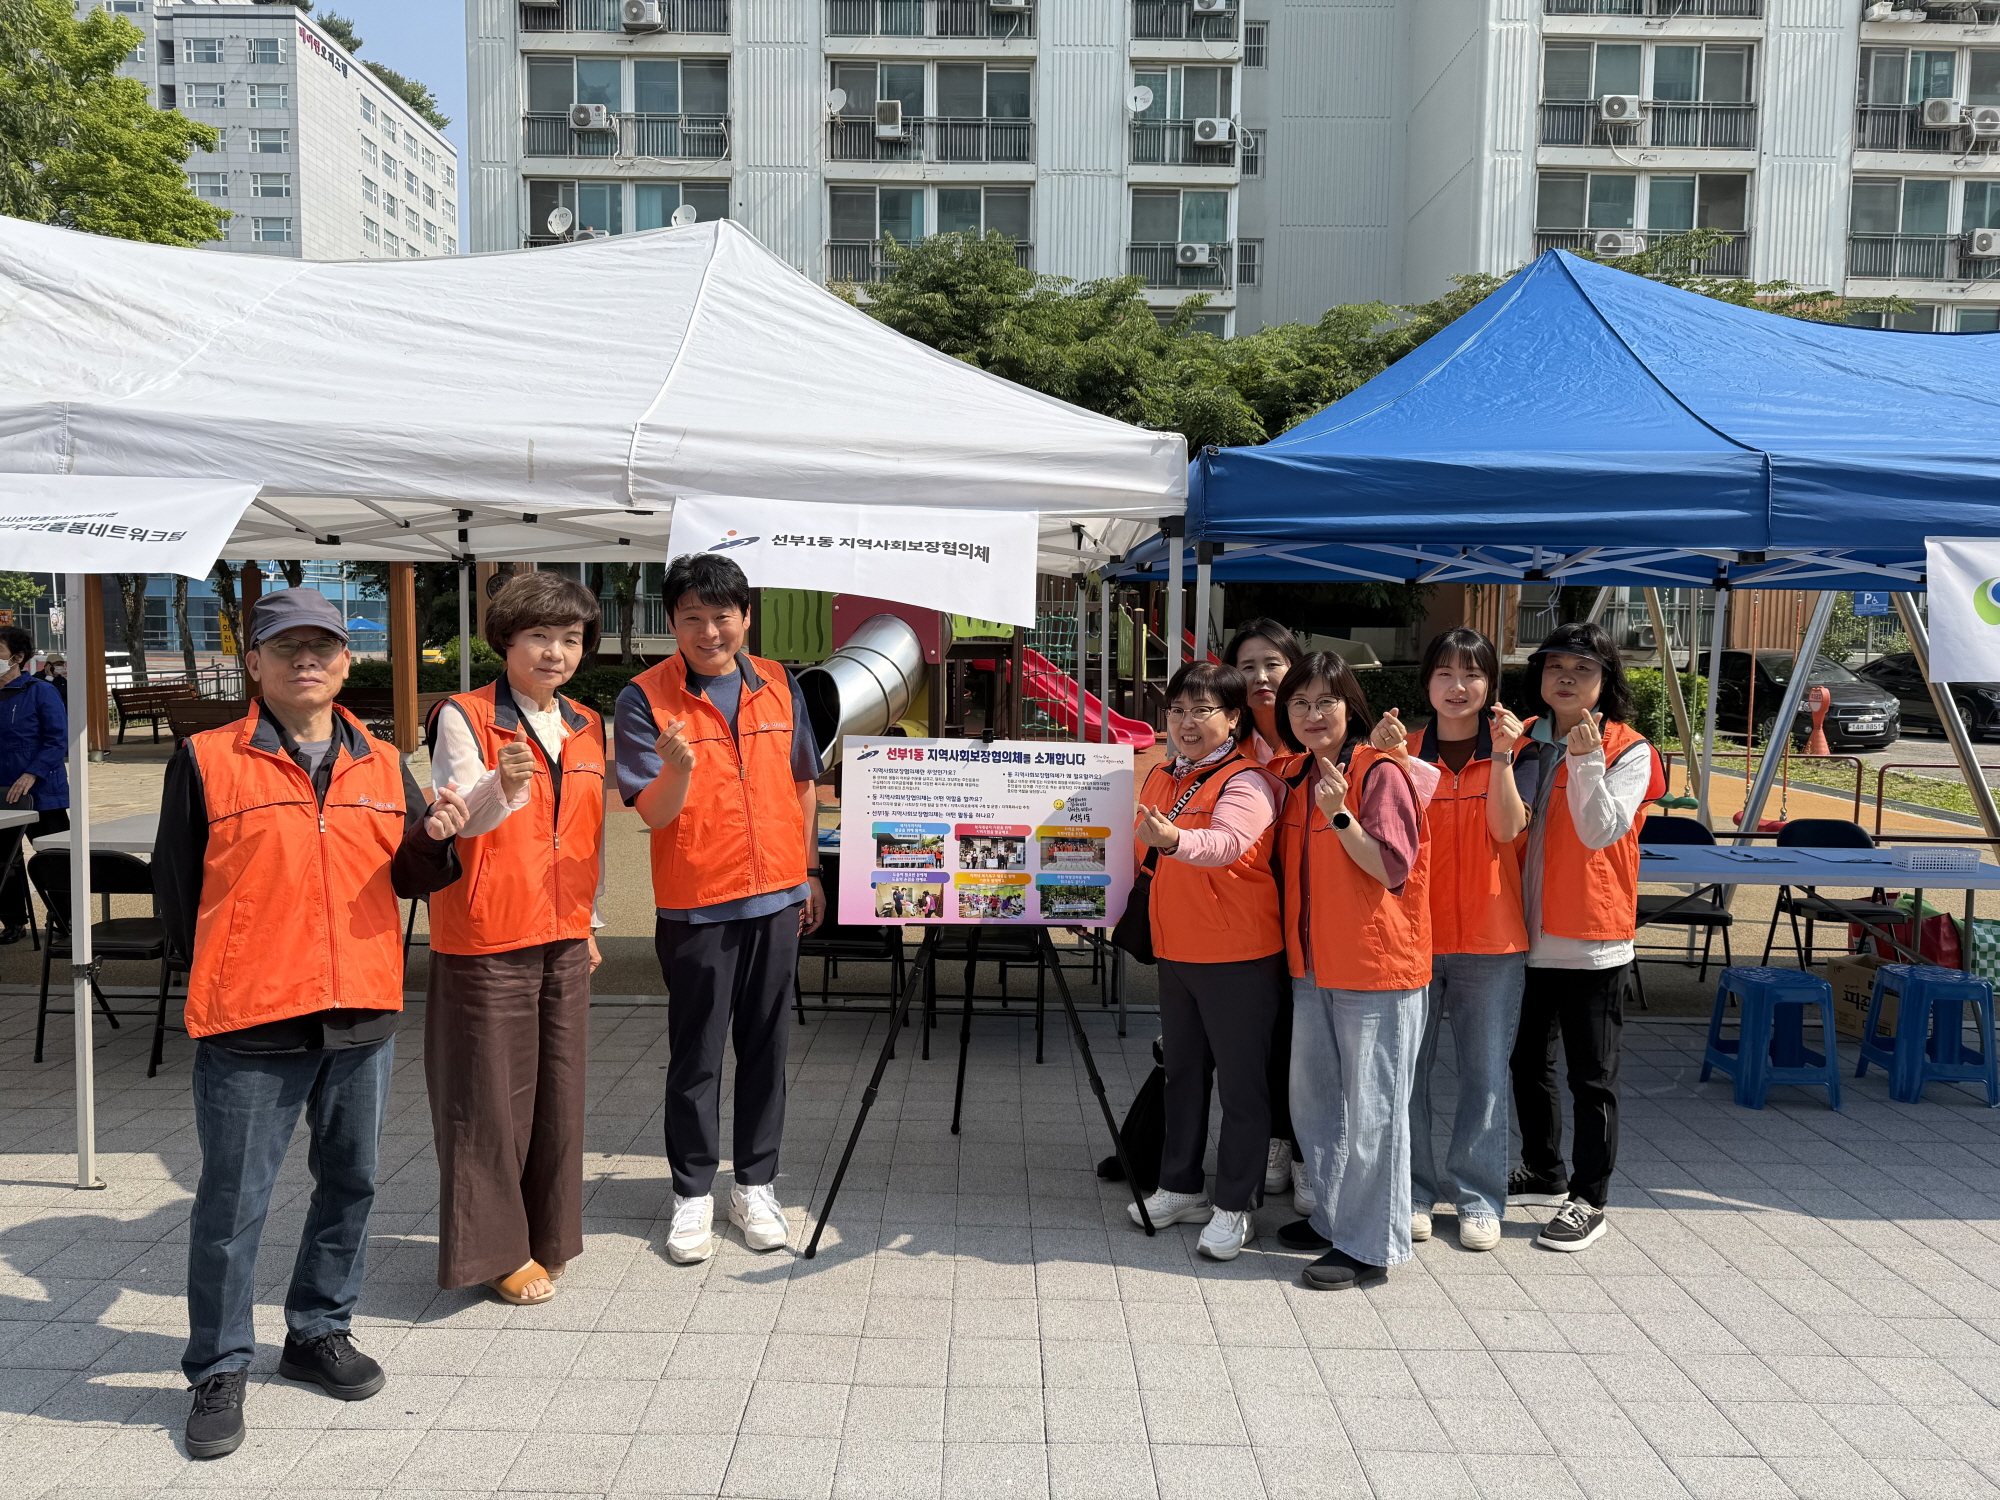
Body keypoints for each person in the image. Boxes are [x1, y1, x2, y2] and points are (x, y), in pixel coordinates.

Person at [152, 589, 467, 1460]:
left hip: (361, 1007)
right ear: (253, 663)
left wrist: (439, 837)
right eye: (285, 647)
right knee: (231, 1202)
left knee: (351, 1183)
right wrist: (225, 968)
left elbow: (409, 877)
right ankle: (218, 1366)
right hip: (251, 1014)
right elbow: (176, 888)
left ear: (345, 662)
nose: (307, 661)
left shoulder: (378, 761)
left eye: (323, 646)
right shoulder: (208, 757)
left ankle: (316, 1330)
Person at [615, 553, 824, 1265]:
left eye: (722, 616)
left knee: (767, 1050)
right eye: (692, 618)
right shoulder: (643, 698)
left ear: (745, 617)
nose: (709, 631)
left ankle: (756, 1184)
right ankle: (692, 1194)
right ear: (671, 621)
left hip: (777, 898)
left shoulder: (779, 683)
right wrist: (677, 767)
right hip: (697, 903)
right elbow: (650, 809)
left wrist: (810, 870)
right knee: (697, 1057)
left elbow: (801, 784)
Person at [423, 573, 608, 1307]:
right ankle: (495, 1252)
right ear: (505, 641)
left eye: (570, 639)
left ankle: (548, 1235)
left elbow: (587, 836)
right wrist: (503, 782)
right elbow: (462, 821)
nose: (555, 652)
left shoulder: (587, 724)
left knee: (560, 1093)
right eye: (539, 637)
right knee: (488, 1098)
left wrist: (589, 924)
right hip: (487, 931)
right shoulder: (465, 718)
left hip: (563, 930)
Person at [1275, 652, 1434, 1290]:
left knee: (1374, 1112)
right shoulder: (1295, 775)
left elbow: (1391, 867)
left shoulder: (1378, 772)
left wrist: (1342, 815)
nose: (1313, 716)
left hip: (1375, 967)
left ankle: (1371, 1245)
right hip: (1312, 965)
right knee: (1316, 1104)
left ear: (1351, 707)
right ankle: (1338, 1219)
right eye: (1300, 704)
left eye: (1326, 702)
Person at [1127, 661, 1288, 1262]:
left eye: (1202, 711)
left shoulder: (1247, 782)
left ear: (1233, 719)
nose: (1186, 723)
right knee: (1183, 1076)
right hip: (1177, 952)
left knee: (1244, 1088)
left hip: (1238, 955)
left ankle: (1236, 1204)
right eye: (1177, 710)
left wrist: (1175, 842)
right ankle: (1180, 1186)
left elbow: (1225, 845)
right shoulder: (1161, 776)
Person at [1506, 622, 1657, 1253]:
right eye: (1554, 667)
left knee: (1592, 1075)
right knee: (1525, 1062)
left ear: (1605, 681)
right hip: (1522, 933)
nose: (1565, 678)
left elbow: (1599, 832)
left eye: (1583, 668)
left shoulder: (1629, 749)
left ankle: (1589, 1198)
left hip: (1590, 938)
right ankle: (1544, 1168)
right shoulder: (1523, 743)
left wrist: (1587, 758)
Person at [1394, 629, 1530, 1253]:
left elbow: (1507, 830)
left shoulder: (1516, 750)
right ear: (1426, 682)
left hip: (1491, 938)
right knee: (1408, 1073)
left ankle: (1478, 1197)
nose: (1457, 686)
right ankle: (1416, 1191)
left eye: (1471, 674)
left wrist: (1500, 756)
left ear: (1489, 686)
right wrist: (1386, 761)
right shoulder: (1405, 753)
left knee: (1484, 1073)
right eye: (1444, 672)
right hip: (1412, 939)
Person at [1223, 618, 1311, 1213]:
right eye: (1248, 666)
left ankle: (1304, 1150)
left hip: (1312, 908)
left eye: (1272, 664)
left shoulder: (1316, 733)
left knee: (1305, 1039)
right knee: (1264, 1038)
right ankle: (1276, 1142)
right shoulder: (1229, 743)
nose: (1260, 677)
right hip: (1247, 915)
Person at [0, 626, 67, 947]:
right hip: (3, 794)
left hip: (43, 792)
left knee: (52, 859)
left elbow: (57, 740)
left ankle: (66, 921)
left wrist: (32, 774)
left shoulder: (40, 690)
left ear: (18, 657)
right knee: (4, 862)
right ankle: (13, 921)